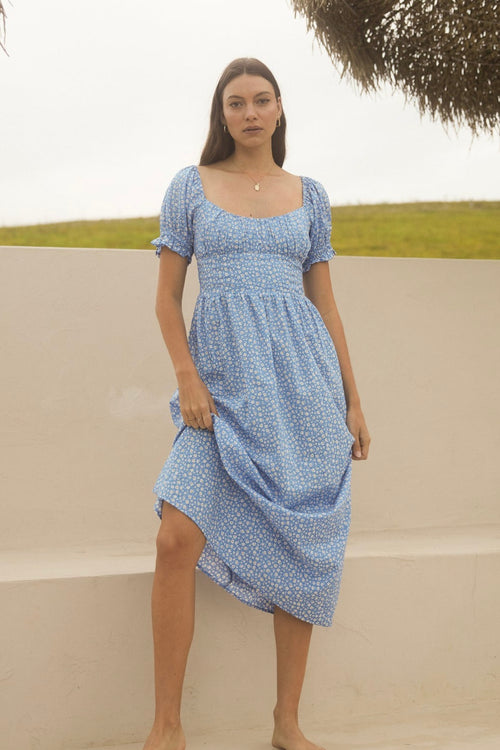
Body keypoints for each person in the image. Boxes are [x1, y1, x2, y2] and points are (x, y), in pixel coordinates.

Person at [144, 57, 370, 750]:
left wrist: (353, 401)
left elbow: (324, 303)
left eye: (260, 100)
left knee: (304, 546)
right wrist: (186, 378)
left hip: (303, 390)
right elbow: (166, 298)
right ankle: (167, 726)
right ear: (221, 115)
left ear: (278, 110)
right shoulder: (191, 186)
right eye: (235, 102)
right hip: (218, 391)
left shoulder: (311, 195)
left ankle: (285, 722)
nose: (248, 113)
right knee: (175, 537)